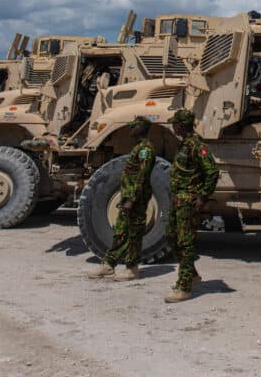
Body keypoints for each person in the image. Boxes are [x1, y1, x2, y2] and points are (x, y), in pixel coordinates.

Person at [87, 117, 156, 281]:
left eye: (133, 126)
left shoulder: (146, 149)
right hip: (128, 197)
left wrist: (131, 199)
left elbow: (142, 176)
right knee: (120, 232)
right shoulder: (138, 147)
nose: (130, 129)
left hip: (136, 199)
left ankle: (132, 269)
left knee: (134, 234)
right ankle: (108, 265)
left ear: (141, 128)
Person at [164, 109, 219, 303]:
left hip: (187, 201)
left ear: (182, 125)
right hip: (177, 200)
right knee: (170, 236)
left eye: (175, 124)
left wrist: (202, 196)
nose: (173, 127)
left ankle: (184, 286)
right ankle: (192, 274)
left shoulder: (196, 145)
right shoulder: (184, 145)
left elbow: (212, 171)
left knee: (185, 243)